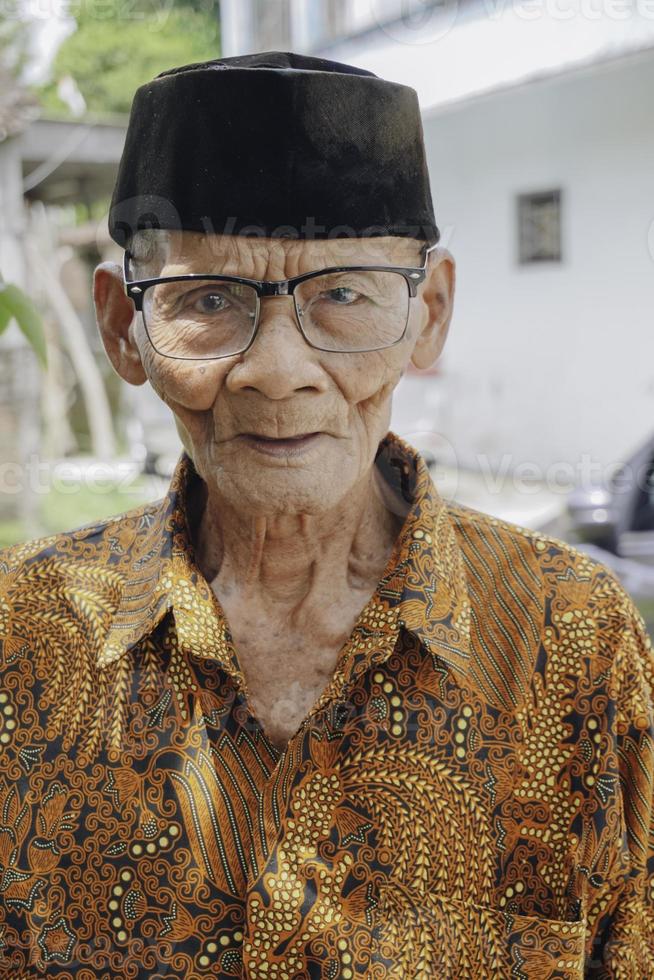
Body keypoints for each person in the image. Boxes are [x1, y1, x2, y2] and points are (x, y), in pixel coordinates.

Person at [0, 51, 651, 979]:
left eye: (342, 294)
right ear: (124, 329)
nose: (277, 369)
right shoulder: (25, 632)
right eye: (207, 301)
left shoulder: (573, 637)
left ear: (427, 314)